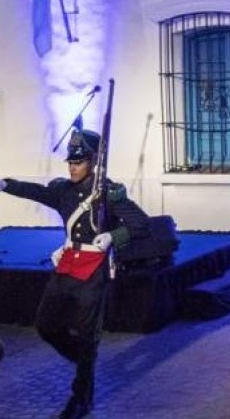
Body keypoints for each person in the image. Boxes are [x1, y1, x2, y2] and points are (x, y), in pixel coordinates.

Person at [0, 128, 150, 419]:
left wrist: (113, 236)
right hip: (68, 265)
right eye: (70, 162)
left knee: (87, 335)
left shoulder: (109, 194)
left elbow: (141, 224)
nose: (72, 167)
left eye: (78, 162)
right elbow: (37, 192)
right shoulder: (63, 190)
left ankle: (81, 397)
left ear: (92, 162)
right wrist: (6, 184)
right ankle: (84, 361)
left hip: (93, 272)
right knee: (45, 325)